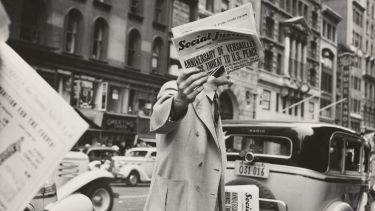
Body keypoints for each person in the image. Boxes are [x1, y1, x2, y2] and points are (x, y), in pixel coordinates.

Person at [144, 67, 232, 211]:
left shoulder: (214, 99)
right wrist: (179, 101)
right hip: (178, 203)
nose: (230, 69)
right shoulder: (175, 87)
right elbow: (157, 121)